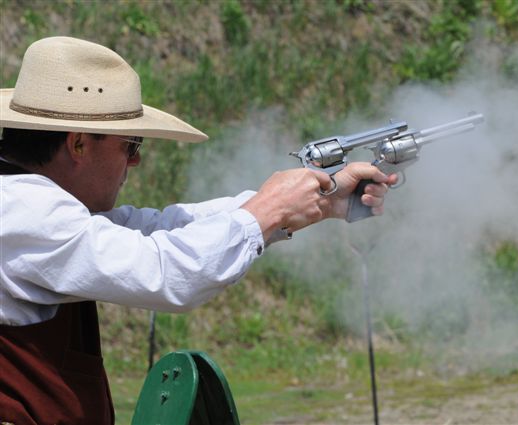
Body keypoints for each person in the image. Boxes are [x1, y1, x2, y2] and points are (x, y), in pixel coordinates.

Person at [0, 36, 395, 424]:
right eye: (130, 145)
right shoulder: (23, 207)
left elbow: (160, 228)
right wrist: (268, 209)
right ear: (80, 144)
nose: (134, 162)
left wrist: (319, 201)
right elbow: (167, 273)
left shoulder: (30, 203)